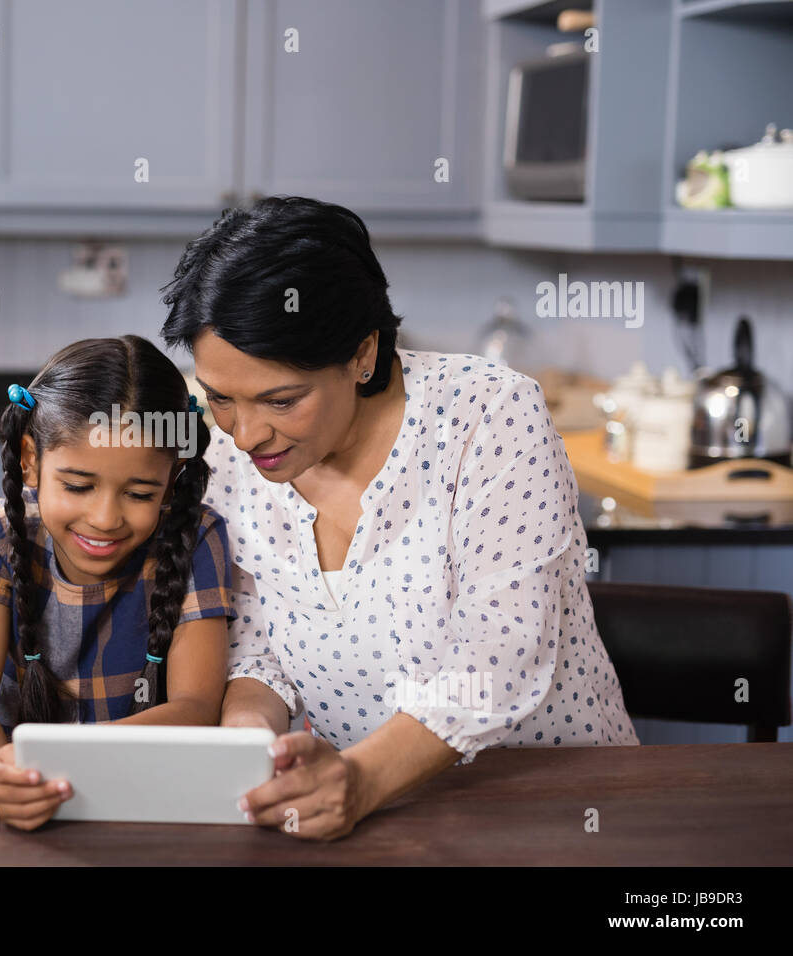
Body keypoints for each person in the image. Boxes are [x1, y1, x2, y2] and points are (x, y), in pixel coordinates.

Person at [160, 196, 639, 841]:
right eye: (220, 397)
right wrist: (250, 743)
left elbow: (499, 657)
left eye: (282, 400)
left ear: (363, 353)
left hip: (557, 807)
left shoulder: (488, 417)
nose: (246, 434)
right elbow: (256, 645)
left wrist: (362, 779)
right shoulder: (224, 458)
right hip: (373, 822)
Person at [0, 335, 236, 830]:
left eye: (140, 493)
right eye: (78, 486)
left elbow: (196, 706)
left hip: (151, 803)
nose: (104, 519)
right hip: (33, 802)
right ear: (30, 460)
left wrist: (80, 763)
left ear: (173, 475)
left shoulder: (198, 537)